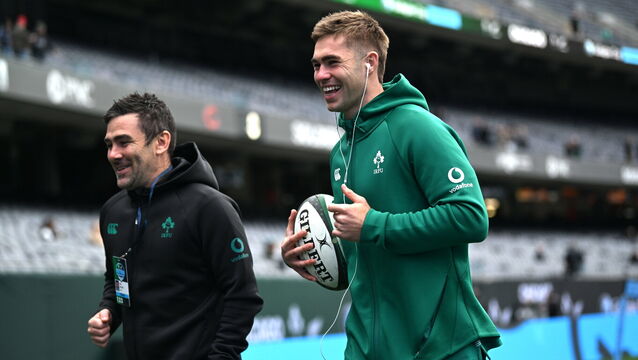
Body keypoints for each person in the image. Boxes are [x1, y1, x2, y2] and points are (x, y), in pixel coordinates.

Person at [281, 10, 501, 360]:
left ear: (370, 62)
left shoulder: (417, 127)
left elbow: (472, 216)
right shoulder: (341, 153)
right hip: (366, 350)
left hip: (438, 349)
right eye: (316, 65)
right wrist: (311, 254)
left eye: (332, 62)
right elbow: (365, 252)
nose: (321, 75)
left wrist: (374, 224)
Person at [87, 92, 262, 359]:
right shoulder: (112, 212)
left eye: (124, 143)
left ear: (161, 142)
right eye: (109, 144)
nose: (113, 154)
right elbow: (116, 278)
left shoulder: (210, 207)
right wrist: (109, 311)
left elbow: (243, 296)